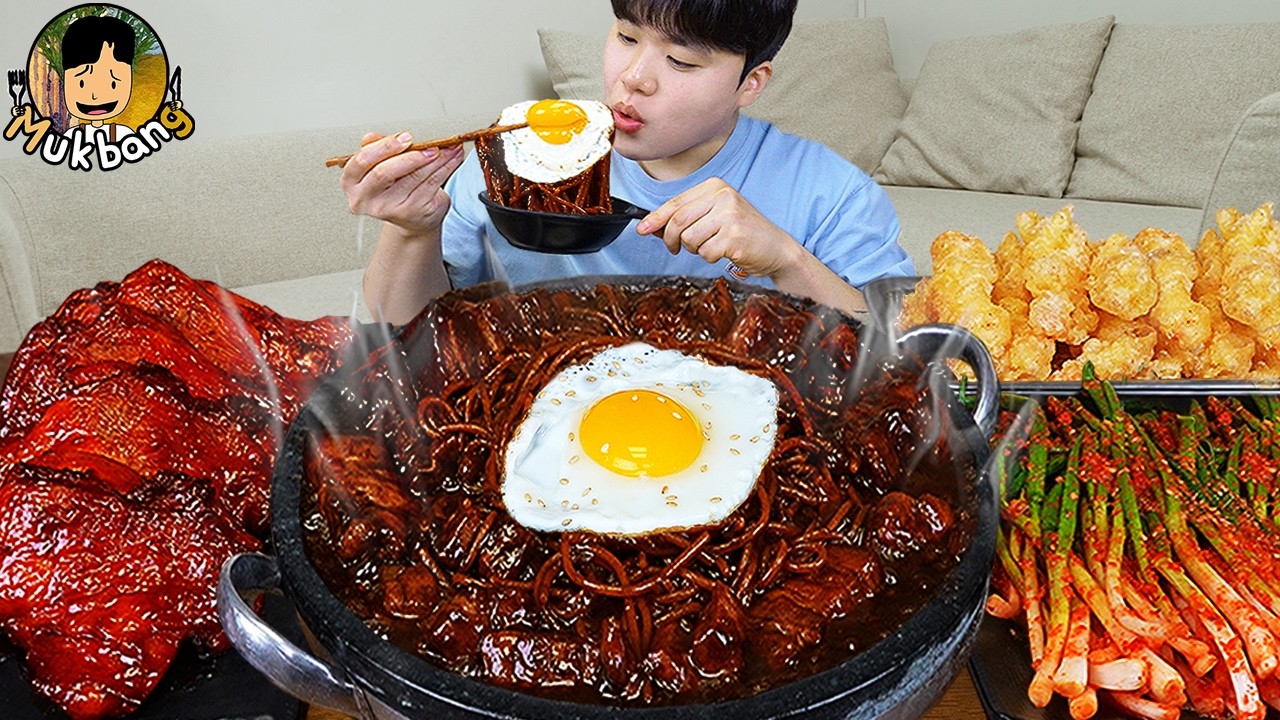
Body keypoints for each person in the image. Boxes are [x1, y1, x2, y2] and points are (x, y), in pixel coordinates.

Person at [342, 0, 913, 326]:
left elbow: (904, 356)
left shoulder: (831, 194)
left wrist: (786, 259)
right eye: (625, 35)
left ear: (750, 84)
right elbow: (401, 326)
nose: (633, 78)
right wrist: (412, 230)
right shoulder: (522, 151)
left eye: (682, 60)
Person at [61, 15, 136, 144]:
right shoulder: (72, 136)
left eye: (113, 84)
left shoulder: (124, 135)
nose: (95, 96)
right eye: (81, 83)